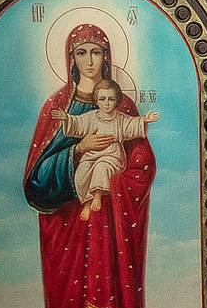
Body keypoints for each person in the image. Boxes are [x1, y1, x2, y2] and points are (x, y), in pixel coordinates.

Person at [24, 24, 161, 308]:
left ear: (106, 56)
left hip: (110, 227)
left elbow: (142, 161)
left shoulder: (123, 106)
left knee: (111, 297)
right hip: (69, 230)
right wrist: (78, 150)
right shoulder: (57, 108)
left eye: (96, 52)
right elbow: (35, 181)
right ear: (70, 58)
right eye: (81, 52)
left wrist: (118, 184)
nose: (89, 60)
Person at [53, 77, 159, 220]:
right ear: (96, 101)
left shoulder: (120, 118)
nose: (107, 103)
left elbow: (132, 125)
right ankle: (87, 202)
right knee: (82, 172)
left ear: (117, 101)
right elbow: (77, 123)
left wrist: (145, 120)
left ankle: (97, 196)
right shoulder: (90, 117)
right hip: (91, 155)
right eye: (102, 99)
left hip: (112, 157)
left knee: (101, 167)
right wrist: (66, 118)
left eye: (111, 99)